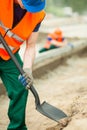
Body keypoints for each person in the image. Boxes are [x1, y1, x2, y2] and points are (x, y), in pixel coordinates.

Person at [0, 0, 46, 130]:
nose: (30, 10)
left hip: (9, 56)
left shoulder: (37, 15)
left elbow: (30, 46)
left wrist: (27, 69)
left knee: (21, 86)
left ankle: (17, 127)